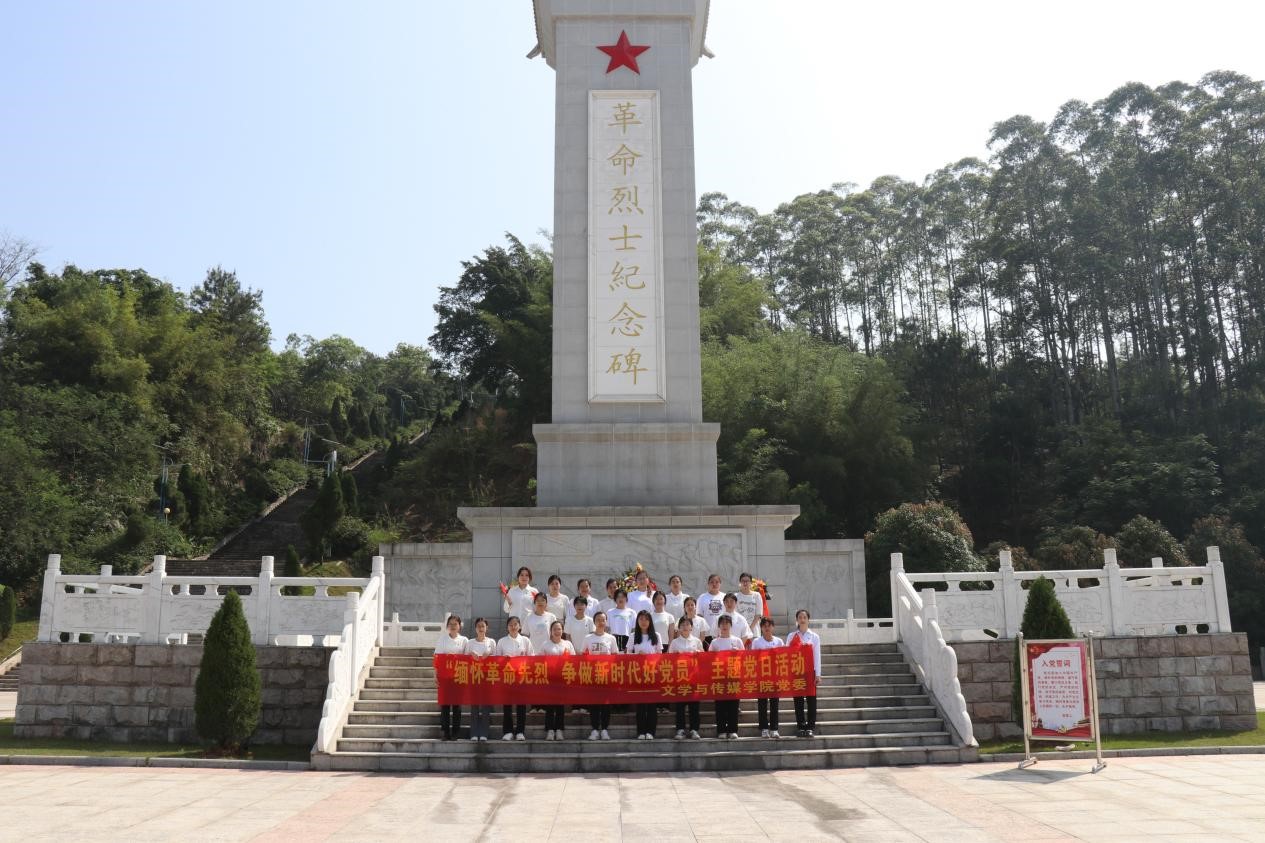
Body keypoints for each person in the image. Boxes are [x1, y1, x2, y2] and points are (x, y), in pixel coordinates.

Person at [582, 612, 619, 740]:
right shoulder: (588, 638)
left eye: (603, 620)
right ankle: (594, 729)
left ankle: (604, 729)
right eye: (598, 620)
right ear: (594, 622)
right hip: (593, 675)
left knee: (606, 704)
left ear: (606, 622)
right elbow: (583, 656)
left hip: (606, 675)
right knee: (594, 703)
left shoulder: (611, 638)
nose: (600, 622)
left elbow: (615, 656)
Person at [496, 615, 533, 740]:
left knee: (521, 705)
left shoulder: (525, 641)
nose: (513, 627)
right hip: (507, 677)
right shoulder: (502, 641)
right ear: (507, 627)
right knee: (507, 705)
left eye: (515, 624)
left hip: (521, 677)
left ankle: (520, 731)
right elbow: (496, 659)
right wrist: (503, 659)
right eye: (510, 625)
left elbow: (531, 658)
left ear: (520, 626)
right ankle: (508, 731)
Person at [786, 609, 822, 738]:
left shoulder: (814, 637)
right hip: (796, 672)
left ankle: (810, 727)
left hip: (810, 672)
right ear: (796, 620)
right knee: (798, 700)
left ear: (808, 620)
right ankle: (801, 726)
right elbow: (787, 654)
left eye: (804, 617)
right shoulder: (791, 636)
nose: (802, 619)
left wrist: (818, 674)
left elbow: (817, 656)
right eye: (800, 617)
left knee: (811, 700)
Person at [707, 615, 743, 739]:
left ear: (731, 625)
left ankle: (733, 729)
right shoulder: (714, 642)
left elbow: (745, 658)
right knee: (720, 705)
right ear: (719, 626)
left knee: (733, 705)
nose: (724, 625)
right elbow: (708, 659)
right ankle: (721, 730)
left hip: (734, 676)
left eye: (727, 623)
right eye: (722, 623)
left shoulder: (737, 641)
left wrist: (737, 653)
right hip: (719, 677)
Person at [538, 620, 575, 740]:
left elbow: (574, 660)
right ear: (551, 631)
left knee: (560, 705)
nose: (557, 631)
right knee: (549, 705)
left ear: (562, 631)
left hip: (563, 679)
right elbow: (539, 661)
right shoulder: (545, 644)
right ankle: (549, 729)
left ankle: (559, 729)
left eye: (559, 629)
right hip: (549, 679)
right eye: (554, 629)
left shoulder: (568, 644)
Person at [668, 616, 703, 739]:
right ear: (679, 627)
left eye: (687, 624)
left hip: (694, 678)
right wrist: (675, 656)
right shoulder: (675, 642)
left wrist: (699, 654)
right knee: (680, 706)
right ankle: (680, 729)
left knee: (694, 706)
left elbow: (703, 658)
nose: (685, 627)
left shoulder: (697, 641)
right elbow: (668, 660)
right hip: (680, 678)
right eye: (682, 624)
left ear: (691, 627)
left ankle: (694, 729)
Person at [628, 610, 661, 739]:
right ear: (637, 621)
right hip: (638, 674)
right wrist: (637, 655)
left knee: (652, 705)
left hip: (652, 674)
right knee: (640, 704)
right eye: (641, 619)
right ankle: (641, 732)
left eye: (646, 619)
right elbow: (627, 655)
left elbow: (660, 656)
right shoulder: (633, 636)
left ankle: (650, 732)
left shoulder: (656, 636)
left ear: (650, 621)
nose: (643, 622)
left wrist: (650, 658)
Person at [750, 616, 784, 738]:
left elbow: (783, 658)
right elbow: (752, 659)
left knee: (774, 703)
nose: (767, 628)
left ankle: (774, 728)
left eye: (769, 625)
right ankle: (764, 728)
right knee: (762, 704)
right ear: (761, 628)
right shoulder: (756, 642)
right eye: (764, 626)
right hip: (761, 677)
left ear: (773, 627)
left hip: (775, 677)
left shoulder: (779, 642)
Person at [435, 615, 468, 740]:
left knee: (457, 706)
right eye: (451, 624)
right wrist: (435, 674)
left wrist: (455, 657)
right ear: (447, 626)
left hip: (459, 676)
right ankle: (445, 732)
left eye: (455, 624)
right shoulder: (442, 639)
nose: (453, 626)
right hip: (445, 676)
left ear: (460, 626)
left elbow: (467, 658)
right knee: (445, 705)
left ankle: (455, 732)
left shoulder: (464, 640)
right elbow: (437, 657)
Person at [464, 617, 496, 741]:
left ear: (487, 628)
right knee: (474, 706)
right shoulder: (470, 642)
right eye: (479, 626)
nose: (481, 628)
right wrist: (471, 655)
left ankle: (484, 733)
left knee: (486, 707)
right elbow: (464, 659)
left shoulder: (491, 642)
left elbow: (497, 658)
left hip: (488, 677)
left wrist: (489, 655)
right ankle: (473, 733)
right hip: (474, 676)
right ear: (475, 628)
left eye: (483, 626)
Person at [699, 574, 726, 644]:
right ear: (708, 584)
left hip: (722, 633)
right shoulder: (702, 597)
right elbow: (699, 616)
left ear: (720, 584)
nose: (714, 584)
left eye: (717, 582)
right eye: (712, 582)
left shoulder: (725, 597)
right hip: (707, 633)